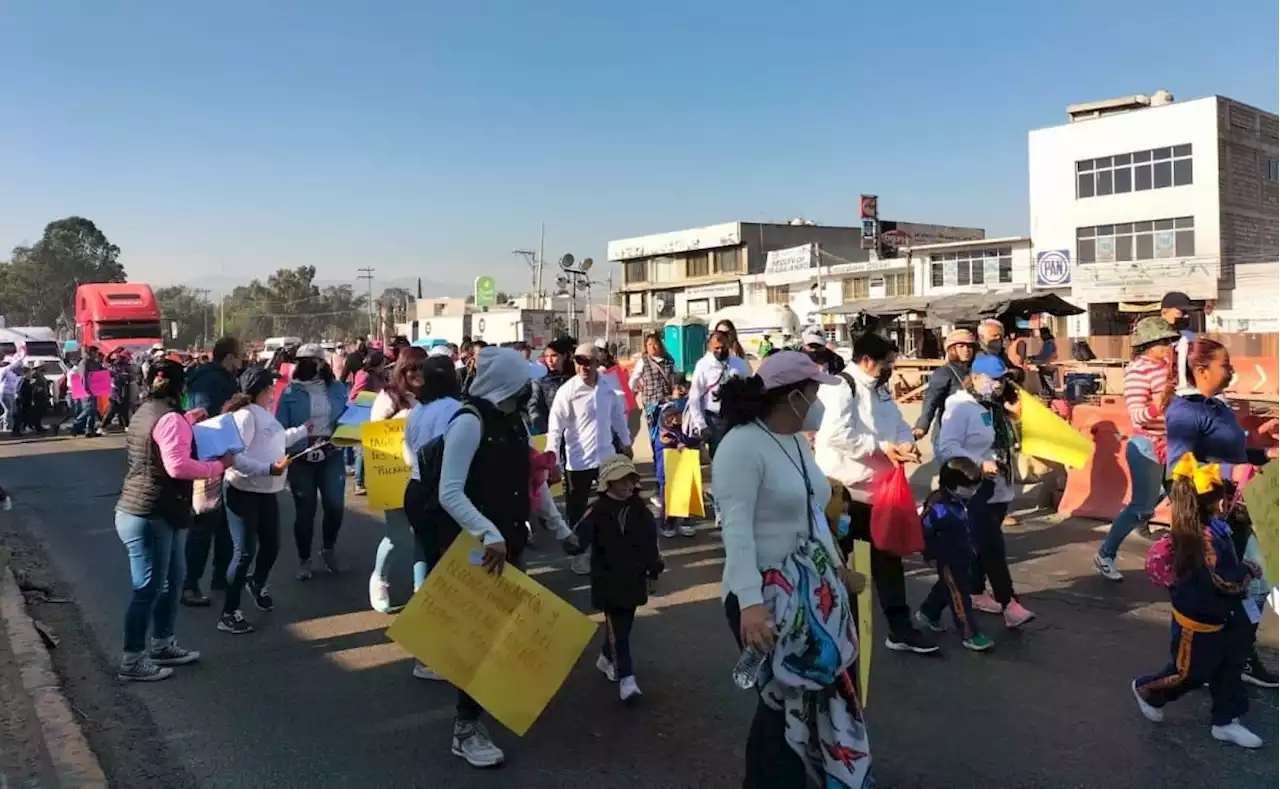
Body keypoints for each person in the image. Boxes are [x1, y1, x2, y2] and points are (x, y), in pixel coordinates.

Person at [714, 351, 871, 788]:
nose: (820, 400)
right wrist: (750, 605)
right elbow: (738, 532)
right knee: (780, 704)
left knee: (812, 698)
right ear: (793, 396)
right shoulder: (742, 445)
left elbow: (812, 515)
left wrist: (838, 570)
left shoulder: (796, 440)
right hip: (764, 597)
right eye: (815, 391)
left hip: (809, 591)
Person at [427, 346, 576, 767]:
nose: (531, 386)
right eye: (523, 379)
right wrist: (487, 533)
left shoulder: (514, 423)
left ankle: (494, 704)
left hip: (507, 543)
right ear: (506, 383)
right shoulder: (468, 423)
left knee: (505, 634)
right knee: (478, 639)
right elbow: (449, 490)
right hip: (477, 549)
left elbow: (535, 480)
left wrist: (560, 529)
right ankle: (465, 728)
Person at [1164, 336, 1280, 684]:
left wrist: (1266, 457)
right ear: (1201, 370)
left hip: (1239, 511)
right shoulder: (1185, 412)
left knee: (1253, 585)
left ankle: (1238, 656)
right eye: (1225, 365)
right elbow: (1178, 470)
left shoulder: (1217, 406)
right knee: (1203, 595)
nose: (1231, 371)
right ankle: (1183, 669)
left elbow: (1235, 453)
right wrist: (1229, 475)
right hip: (1208, 519)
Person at [812, 331, 936, 654]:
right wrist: (882, 447)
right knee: (836, 564)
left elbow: (896, 423)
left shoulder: (880, 391)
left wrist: (906, 443)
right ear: (867, 361)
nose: (890, 369)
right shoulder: (841, 388)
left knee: (889, 558)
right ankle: (834, 631)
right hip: (843, 495)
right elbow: (837, 435)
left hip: (878, 493)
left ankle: (900, 628)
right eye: (886, 364)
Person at [114, 359, 235, 681]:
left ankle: (162, 643)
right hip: (150, 513)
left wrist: (185, 421)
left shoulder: (145, 411)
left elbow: (162, 442)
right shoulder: (168, 418)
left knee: (172, 580)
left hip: (149, 509)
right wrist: (217, 466)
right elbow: (178, 467)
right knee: (148, 588)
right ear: (183, 388)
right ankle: (132, 659)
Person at [1132, 454, 1264, 749]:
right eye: (1223, 498)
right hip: (1200, 622)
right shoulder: (1203, 539)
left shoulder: (1212, 528)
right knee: (1188, 672)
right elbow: (1225, 579)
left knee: (1230, 667)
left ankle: (1226, 721)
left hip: (1224, 615)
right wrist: (1249, 571)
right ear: (1213, 503)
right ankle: (1147, 690)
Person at [937, 353, 1036, 628]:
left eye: (1002, 380)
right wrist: (980, 463)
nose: (998, 385)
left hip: (999, 485)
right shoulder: (960, 407)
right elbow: (947, 447)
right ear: (976, 377)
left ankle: (967, 595)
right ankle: (1009, 603)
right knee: (993, 547)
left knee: (977, 548)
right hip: (973, 487)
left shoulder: (994, 406)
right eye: (993, 380)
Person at [217, 367, 309, 634]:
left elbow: (277, 439)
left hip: (267, 491)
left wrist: (303, 431)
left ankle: (257, 583)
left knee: (271, 546)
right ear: (261, 390)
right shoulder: (244, 416)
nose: (273, 392)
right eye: (271, 388)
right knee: (245, 551)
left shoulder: (264, 414)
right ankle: (229, 612)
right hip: (242, 490)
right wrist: (268, 469)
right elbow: (234, 457)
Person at [567, 454, 663, 704]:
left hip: (633, 577)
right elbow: (580, 537)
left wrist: (653, 571)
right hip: (608, 579)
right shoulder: (597, 510)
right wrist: (571, 542)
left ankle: (606, 656)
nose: (628, 486)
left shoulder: (640, 509)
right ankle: (626, 678)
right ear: (608, 483)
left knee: (624, 625)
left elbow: (650, 544)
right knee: (619, 629)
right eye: (621, 481)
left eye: (631, 480)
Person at [1094, 318, 1181, 580]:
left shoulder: (1170, 369)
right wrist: (1162, 406)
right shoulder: (1137, 371)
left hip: (1173, 443)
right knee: (1142, 506)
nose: (1169, 346)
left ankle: (1185, 562)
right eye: (1164, 342)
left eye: (1170, 341)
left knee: (1184, 501)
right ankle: (1106, 554)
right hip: (1147, 445)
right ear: (1148, 345)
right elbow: (1138, 415)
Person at [400, 354, 465, 680]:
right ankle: (433, 656)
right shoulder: (454, 410)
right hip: (441, 495)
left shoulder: (418, 410)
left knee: (430, 567)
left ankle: (426, 653)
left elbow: (409, 450)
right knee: (448, 576)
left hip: (416, 490)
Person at [547, 343, 631, 570]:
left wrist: (626, 442)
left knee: (614, 504)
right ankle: (579, 552)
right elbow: (555, 429)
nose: (583, 367)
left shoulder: (608, 387)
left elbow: (618, 417)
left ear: (597, 363)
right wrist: (552, 460)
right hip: (578, 461)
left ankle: (610, 549)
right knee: (577, 509)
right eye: (578, 362)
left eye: (588, 362)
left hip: (606, 458)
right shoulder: (567, 392)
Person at [277, 343, 349, 579]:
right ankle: (304, 560)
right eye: (302, 362)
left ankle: (328, 548)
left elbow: (348, 416)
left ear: (321, 364)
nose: (306, 366)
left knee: (335, 505)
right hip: (301, 457)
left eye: (311, 361)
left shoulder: (337, 389)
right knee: (305, 511)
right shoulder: (289, 393)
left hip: (331, 453)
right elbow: (281, 428)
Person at [180, 337, 244, 607]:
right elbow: (202, 417)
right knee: (204, 523)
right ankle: (190, 584)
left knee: (224, 523)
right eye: (239, 357)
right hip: (208, 461)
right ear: (229, 357)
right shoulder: (212, 380)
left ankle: (220, 575)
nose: (241, 362)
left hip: (220, 459)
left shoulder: (205, 377)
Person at [367, 347, 428, 613]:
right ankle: (379, 578)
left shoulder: (432, 396)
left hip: (426, 475)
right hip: (395, 478)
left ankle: (422, 589)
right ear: (401, 370)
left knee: (425, 536)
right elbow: (375, 434)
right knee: (397, 535)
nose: (416, 374)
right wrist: (402, 420)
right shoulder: (388, 397)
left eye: (422, 367)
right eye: (411, 368)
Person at [916, 457, 993, 651]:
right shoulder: (937, 504)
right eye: (968, 488)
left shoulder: (969, 498)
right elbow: (924, 529)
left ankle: (929, 611)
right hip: (948, 556)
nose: (973, 492)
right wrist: (928, 552)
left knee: (948, 586)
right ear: (952, 484)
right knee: (960, 595)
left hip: (966, 553)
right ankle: (969, 633)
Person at [684, 331, 752, 460]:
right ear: (710, 347)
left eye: (723, 347)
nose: (721, 351)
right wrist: (701, 425)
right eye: (717, 348)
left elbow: (750, 388)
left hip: (737, 416)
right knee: (719, 457)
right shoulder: (703, 366)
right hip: (715, 419)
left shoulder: (739, 364)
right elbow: (695, 397)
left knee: (738, 456)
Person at [655, 382, 699, 539]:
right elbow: (672, 441)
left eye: (678, 415)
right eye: (672, 416)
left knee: (685, 496)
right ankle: (667, 523)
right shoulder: (664, 434)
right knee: (668, 499)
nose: (676, 419)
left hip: (681, 470)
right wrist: (681, 446)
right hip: (667, 473)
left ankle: (685, 522)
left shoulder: (681, 431)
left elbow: (688, 440)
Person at [913, 329, 975, 441]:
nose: (966, 350)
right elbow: (931, 400)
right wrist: (922, 426)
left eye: (969, 346)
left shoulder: (977, 370)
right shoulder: (944, 372)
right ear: (952, 349)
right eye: (961, 346)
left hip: (973, 434)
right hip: (948, 435)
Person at [628, 332, 676, 450]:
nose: (652, 347)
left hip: (667, 402)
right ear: (645, 347)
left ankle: (666, 456)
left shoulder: (669, 360)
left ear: (660, 345)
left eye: (655, 344)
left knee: (668, 430)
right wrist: (633, 392)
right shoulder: (643, 362)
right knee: (654, 431)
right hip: (651, 403)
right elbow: (633, 380)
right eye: (649, 344)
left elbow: (675, 378)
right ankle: (656, 454)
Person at [527, 338, 574, 435]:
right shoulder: (540, 379)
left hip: (574, 430)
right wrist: (543, 426)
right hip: (551, 430)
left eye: (554, 355)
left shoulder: (574, 378)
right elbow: (534, 405)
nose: (550, 360)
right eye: (546, 356)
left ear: (564, 356)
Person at [70, 344, 103, 437]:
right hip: (87, 390)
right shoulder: (84, 363)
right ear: (91, 352)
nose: (97, 354)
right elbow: (83, 376)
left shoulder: (94, 363)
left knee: (92, 410)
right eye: (95, 352)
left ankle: (89, 430)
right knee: (88, 409)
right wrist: (86, 388)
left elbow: (100, 370)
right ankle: (75, 426)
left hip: (94, 388)